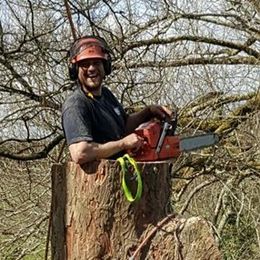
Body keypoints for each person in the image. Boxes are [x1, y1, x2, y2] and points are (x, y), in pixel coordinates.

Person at [62, 35, 172, 164]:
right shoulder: (76, 104)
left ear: (105, 66)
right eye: (85, 65)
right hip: (95, 180)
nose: (91, 69)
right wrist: (123, 144)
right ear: (75, 70)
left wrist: (147, 112)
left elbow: (123, 127)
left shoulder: (106, 95)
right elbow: (80, 153)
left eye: (96, 63)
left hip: (118, 175)